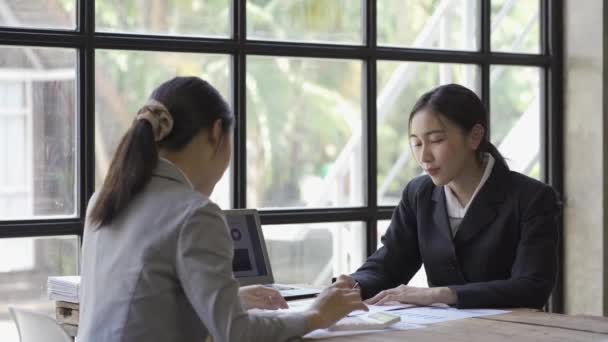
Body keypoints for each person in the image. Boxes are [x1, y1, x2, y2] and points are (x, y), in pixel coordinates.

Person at [77, 76, 366, 342]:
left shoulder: (105, 199)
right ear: (216, 134)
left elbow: (140, 302)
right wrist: (315, 316)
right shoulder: (193, 213)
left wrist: (231, 299)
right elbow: (235, 333)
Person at [333, 83, 561, 309]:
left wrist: (442, 294)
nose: (424, 156)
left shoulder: (532, 198)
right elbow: (392, 261)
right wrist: (356, 283)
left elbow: (532, 287)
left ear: (474, 136)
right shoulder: (418, 193)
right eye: (417, 143)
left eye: (436, 140)